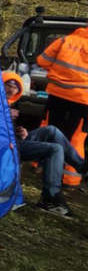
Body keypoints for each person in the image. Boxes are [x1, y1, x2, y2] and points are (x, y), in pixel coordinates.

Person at [5, 72, 86, 217]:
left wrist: (20, 131)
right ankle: (51, 198)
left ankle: (84, 168)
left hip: (14, 140)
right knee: (54, 149)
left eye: (15, 87)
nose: (11, 90)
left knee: (52, 131)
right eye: (8, 85)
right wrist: (5, 114)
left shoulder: (9, 103)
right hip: (6, 148)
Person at [37, 28, 88, 188]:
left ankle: (38, 164)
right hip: (83, 99)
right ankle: (69, 179)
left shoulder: (65, 40)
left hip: (56, 93)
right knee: (76, 137)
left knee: (49, 129)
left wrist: (60, 73)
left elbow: (42, 61)